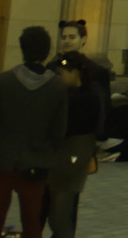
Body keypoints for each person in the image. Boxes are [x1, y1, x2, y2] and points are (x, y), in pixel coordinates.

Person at [0, 24, 68, 238]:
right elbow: (59, 131)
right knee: (32, 223)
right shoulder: (58, 86)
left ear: (22, 49)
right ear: (47, 51)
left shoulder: (4, 81)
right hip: (35, 163)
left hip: (1, 160)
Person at [46, 51, 104, 238]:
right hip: (67, 159)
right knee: (58, 213)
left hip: (72, 159)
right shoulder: (76, 94)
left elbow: (70, 127)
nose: (58, 77)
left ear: (75, 72)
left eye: (61, 73)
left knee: (61, 214)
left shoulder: (86, 97)